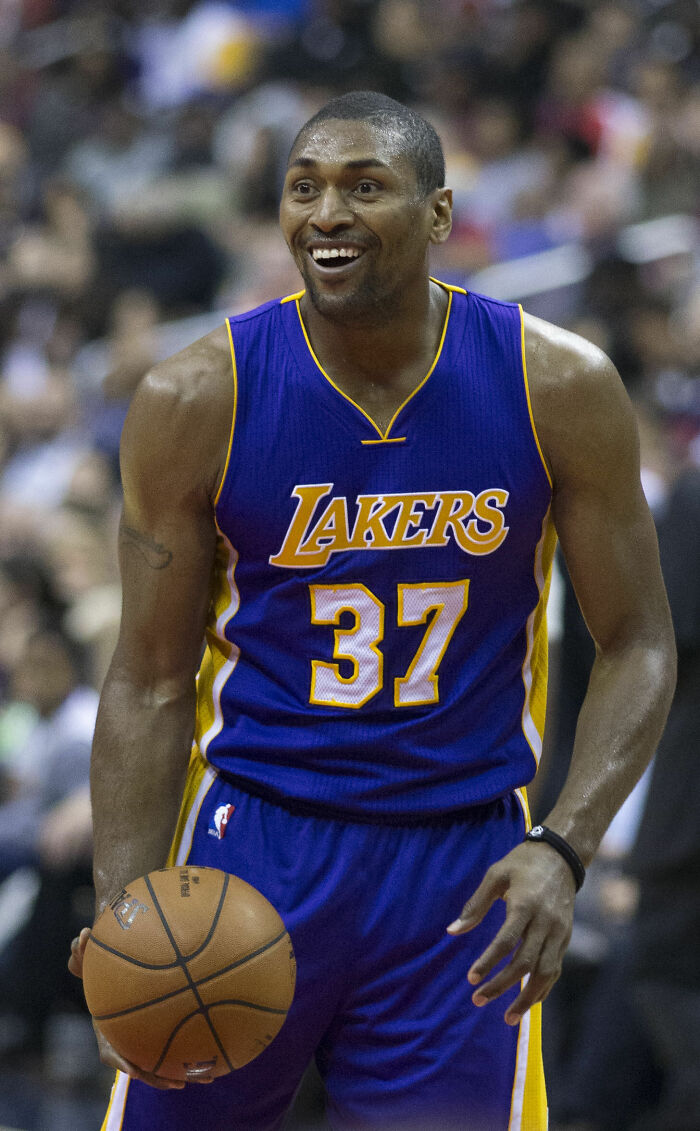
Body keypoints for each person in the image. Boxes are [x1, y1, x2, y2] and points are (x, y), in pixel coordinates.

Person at [69, 91, 676, 1131]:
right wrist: (123, 900)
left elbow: (640, 643)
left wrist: (564, 845)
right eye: (303, 188)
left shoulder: (557, 385)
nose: (326, 214)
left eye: (363, 186)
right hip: (252, 845)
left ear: (438, 213)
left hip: (462, 868)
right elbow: (149, 676)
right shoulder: (196, 396)